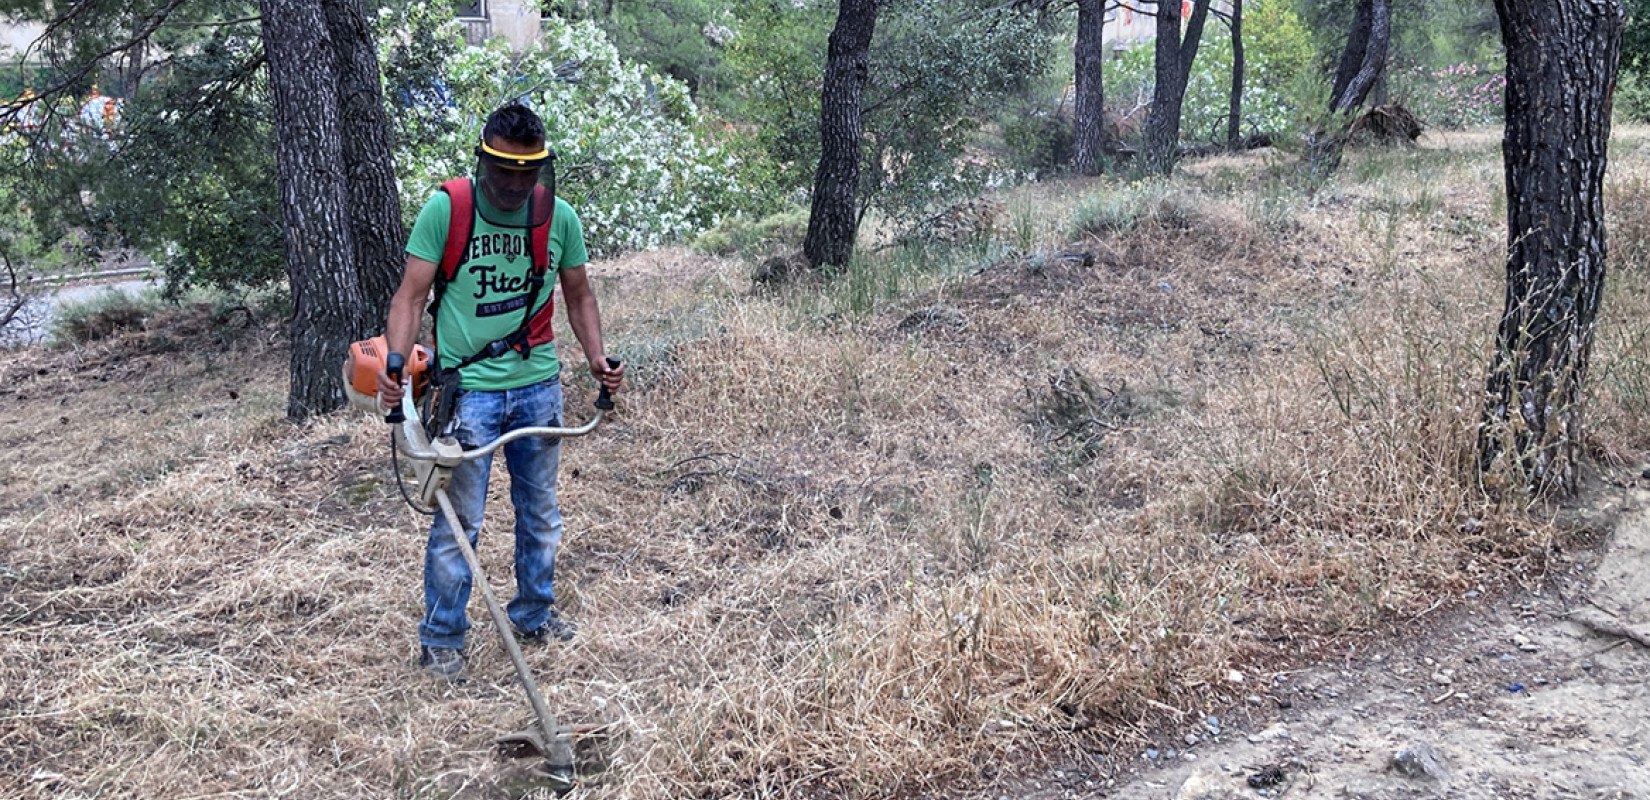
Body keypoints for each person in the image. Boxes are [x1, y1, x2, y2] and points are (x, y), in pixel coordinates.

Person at [377, 102, 623, 682]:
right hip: (470, 395)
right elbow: (410, 297)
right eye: (504, 170)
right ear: (484, 160)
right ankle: (442, 638)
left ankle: (534, 613)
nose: (515, 183)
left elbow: (580, 294)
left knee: (539, 513)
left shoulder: (559, 217)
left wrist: (594, 358)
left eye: (527, 172)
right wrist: (395, 362)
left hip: (537, 386)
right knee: (459, 523)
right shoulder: (448, 210)